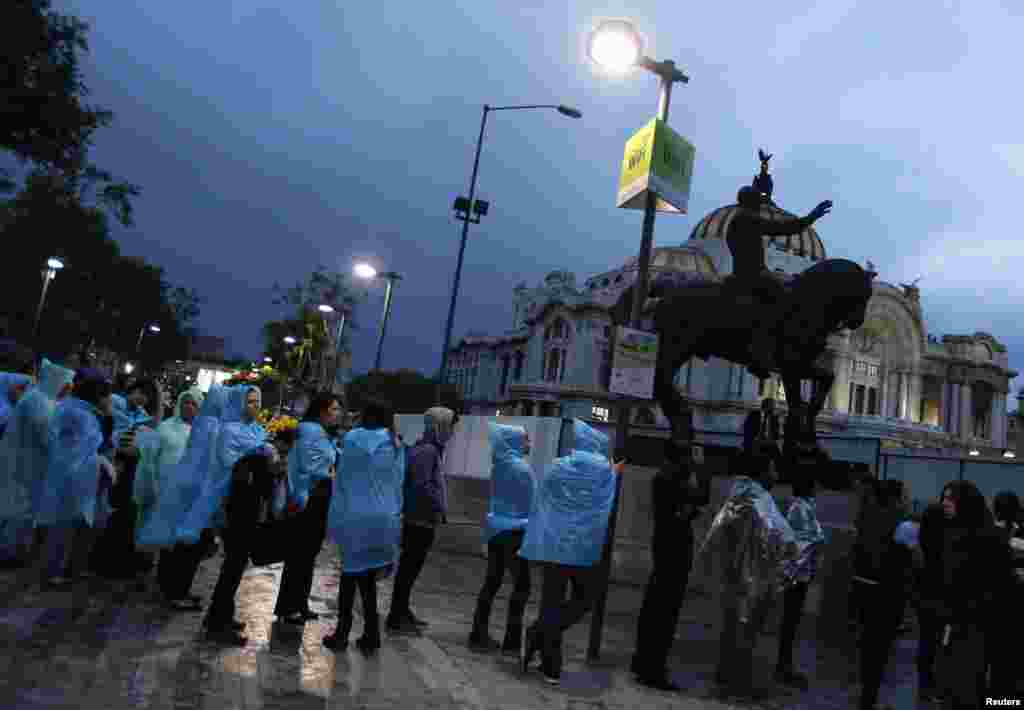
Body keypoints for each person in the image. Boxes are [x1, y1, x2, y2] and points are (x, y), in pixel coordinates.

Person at [519, 419, 624, 686]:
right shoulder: (604, 472)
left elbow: (544, 498)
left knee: (552, 602)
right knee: (585, 598)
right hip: (584, 547)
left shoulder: (558, 467)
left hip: (555, 545)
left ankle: (549, 661)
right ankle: (541, 635)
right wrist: (614, 471)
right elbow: (607, 497)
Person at [698, 444, 798, 698]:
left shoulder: (738, 494)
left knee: (732, 628)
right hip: (752, 577)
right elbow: (780, 535)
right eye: (773, 469)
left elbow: (716, 534)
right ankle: (738, 684)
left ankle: (726, 676)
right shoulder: (757, 498)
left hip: (733, 573)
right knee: (746, 631)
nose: (775, 475)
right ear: (763, 471)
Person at [322, 398, 404, 655]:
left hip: (355, 515)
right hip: (383, 518)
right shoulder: (394, 443)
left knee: (349, 577)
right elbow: (397, 484)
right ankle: (371, 634)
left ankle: (342, 634)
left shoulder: (352, 440)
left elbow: (342, 481)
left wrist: (335, 518)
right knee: (368, 577)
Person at [138, 385, 230, 610]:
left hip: (184, 491)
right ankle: (177, 591)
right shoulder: (211, 427)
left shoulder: (202, 425)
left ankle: (171, 587)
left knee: (179, 544)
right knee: (188, 547)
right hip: (193, 494)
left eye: (194, 403)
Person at [726, 185, 832, 379]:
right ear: (751, 202)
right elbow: (781, 228)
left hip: (748, 273)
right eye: (757, 200)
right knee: (784, 300)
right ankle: (760, 354)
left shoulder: (739, 218)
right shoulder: (746, 218)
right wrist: (811, 217)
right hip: (752, 275)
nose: (760, 204)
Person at [199, 386, 277, 644]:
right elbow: (226, 462)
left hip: (252, 502)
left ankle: (221, 613)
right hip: (235, 503)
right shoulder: (229, 430)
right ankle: (217, 621)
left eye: (258, 401)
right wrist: (255, 455)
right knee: (232, 564)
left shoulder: (256, 431)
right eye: (250, 401)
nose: (255, 406)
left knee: (237, 564)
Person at [631, 438, 708, 692]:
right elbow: (697, 501)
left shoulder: (664, 478)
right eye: (688, 457)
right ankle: (653, 668)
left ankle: (643, 662)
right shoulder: (670, 480)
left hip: (665, 549)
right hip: (673, 552)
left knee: (655, 606)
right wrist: (700, 469)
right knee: (664, 611)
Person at [934, 481, 1012, 709]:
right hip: (956, 620)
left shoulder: (988, 537)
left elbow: (999, 582)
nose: (944, 503)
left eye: (951, 499)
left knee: (967, 682)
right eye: (944, 498)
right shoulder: (952, 532)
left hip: (977, 623)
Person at [35, 369, 116, 586]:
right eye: (107, 395)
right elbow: (85, 451)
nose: (110, 400)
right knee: (64, 527)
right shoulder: (83, 416)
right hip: (75, 477)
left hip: (65, 474)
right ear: (98, 396)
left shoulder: (72, 409)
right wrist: (103, 465)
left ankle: (58, 569)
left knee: (61, 525)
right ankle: (54, 572)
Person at [272, 392, 341, 624]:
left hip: (317, 499)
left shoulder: (319, 433)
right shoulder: (311, 431)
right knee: (300, 555)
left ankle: (299, 604)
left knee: (307, 555)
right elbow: (311, 465)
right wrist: (329, 471)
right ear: (321, 411)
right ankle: (288, 607)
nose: (337, 414)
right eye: (333, 409)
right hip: (308, 499)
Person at [388, 406, 457, 634]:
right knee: (409, 568)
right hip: (419, 519)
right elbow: (423, 485)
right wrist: (439, 505)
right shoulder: (427, 451)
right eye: (450, 426)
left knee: (411, 568)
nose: (452, 432)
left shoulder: (428, 448)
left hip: (421, 517)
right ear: (439, 426)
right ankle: (396, 616)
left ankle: (402, 610)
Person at [468, 422, 535, 653]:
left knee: (491, 583)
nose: (529, 443)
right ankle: (512, 640)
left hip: (496, 530)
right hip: (516, 533)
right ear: (515, 441)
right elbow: (531, 504)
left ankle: (478, 633)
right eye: (525, 439)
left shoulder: (500, 465)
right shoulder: (522, 469)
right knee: (522, 587)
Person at [132, 386, 204, 601]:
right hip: (161, 489)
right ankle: (144, 575)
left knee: (173, 540)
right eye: (185, 402)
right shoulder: (165, 428)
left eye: (193, 403)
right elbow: (150, 459)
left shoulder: (202, 432)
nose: (189, 407)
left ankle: (166, 582)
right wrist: (152, 484)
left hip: (185, 494)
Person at [0, 359, 74, 567]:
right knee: (17, 507)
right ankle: (9, 554)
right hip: (23, 463)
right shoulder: (38, 401)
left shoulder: (45, 399)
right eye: (66, 385)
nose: (68, 390)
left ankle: (14, 551)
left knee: (21, 506)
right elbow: (49, 437)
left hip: (31, 464)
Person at [851, 479, 916, 710]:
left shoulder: (866, 516)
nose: (909, 499)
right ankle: (869, 700)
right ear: (897, 498)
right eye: (906, 495)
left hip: (862, 588)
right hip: (888, 595)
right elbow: (912, 561)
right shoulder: (904, 525)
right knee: (880, 651)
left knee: (868, 647)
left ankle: (866, 700)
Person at [774, 469, 826, 690]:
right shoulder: (800, 508)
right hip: (796, 575)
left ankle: (785, 665)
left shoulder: (803, 507)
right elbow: (806, 540)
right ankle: (783, 666)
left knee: (792, 621)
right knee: (790, 621)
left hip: (799, 573)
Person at [990, 490, 1023, 698]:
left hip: (993, 604)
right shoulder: (1019, 535)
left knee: (994, 656)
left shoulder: (988, 534)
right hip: (1016, 603)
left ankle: (996, 698)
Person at [914, 501, 947, 704]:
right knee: (938, 644)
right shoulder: (945, 544)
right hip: (940, 598)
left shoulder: (922, 541)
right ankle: (934, 686)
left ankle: (924, 686)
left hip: (923, 598)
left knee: (926, 642)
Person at [0, 371, 33, 438]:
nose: (17, 392)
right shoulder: (5, 379)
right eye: (20, 388)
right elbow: (32, 380)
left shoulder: (8, 411)